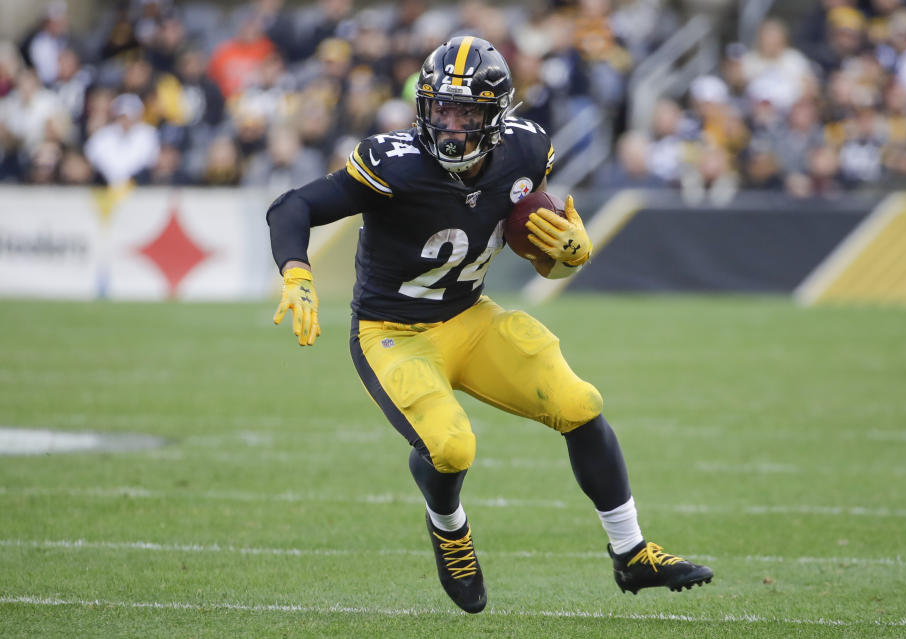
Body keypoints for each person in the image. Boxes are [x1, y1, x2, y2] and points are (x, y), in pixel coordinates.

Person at [267, 35, 713, 613]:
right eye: (441, 110)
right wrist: (296, 270)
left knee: (579, 403)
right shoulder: (392, 162)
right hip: (393, 332)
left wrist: (568, 253)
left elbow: (537, 248)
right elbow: (293, 206)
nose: (451, 126)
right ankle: (449, 527)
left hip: (469, 317)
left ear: (496, 116)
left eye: (467, 113)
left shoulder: (526, 152)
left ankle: (631, 554)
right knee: (451, 447)